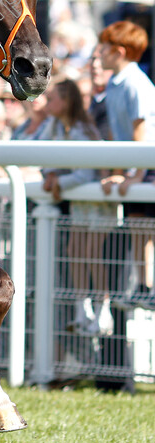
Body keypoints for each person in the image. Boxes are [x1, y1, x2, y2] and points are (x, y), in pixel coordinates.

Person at [39, 79, 114, 337]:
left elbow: (84, 175)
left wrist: (57, 180)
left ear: (67, 101)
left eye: (52, 99)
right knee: (75, 251)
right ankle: (82, 311)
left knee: (92, 252)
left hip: (98, 202)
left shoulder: (82, 129)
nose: (46, 104)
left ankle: (103, 310)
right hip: (80, 201)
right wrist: (52, 174)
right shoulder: (56, 125)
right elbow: (42, 153)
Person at [94, 21, 155, 310]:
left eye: (104, 48)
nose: (99, 53)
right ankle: (144, 287)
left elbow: (140, 133)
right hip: (135, 168)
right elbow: (117, 135)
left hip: (147, 167)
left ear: (118, 52)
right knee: (138, 227)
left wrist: (135, 175)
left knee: (144, 227)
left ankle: (147, 287)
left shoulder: (135, 83)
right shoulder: (117, 84)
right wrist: (119, 173)